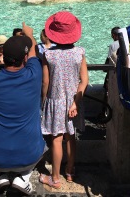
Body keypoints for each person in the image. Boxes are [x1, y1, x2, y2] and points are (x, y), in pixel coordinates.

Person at [0, 23, 46, 195]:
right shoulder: (34, 75)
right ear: (24, 59)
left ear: (3, 56)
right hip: (29, 157)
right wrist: (29, 35)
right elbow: (33, 52)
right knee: (42, 135)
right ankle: (24, 177)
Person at [39, 11, 88, 190]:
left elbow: (45, 82)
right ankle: (70, 171)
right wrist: (75, 102)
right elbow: (84, 81)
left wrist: (44, 102)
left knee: (57, 139)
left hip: (55, 101)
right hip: (74, 101)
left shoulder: (48, 54)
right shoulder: (80, 52)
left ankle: (55, 178)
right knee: (71, 137)